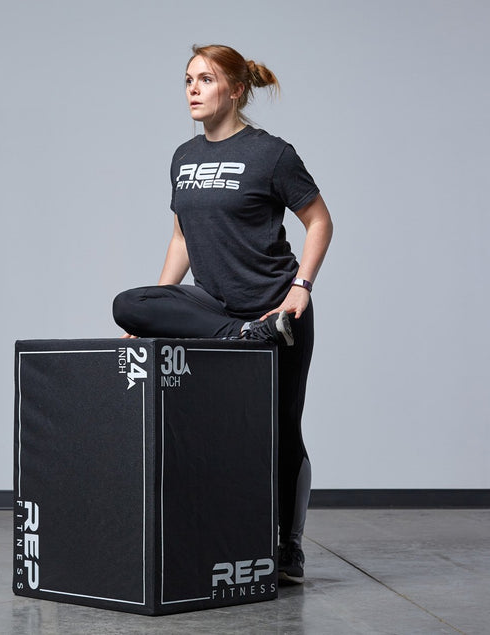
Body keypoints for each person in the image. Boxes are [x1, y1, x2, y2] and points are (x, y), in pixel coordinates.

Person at [112, 44, 333, 585]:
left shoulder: (271, 154)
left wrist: (300, 289)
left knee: (280, 429)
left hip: (279, 307)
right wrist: (159, 310)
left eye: (205, 79)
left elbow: (320, 221)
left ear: (235, 90)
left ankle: (289, 546)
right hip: (224, 315)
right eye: (187, 79)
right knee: (128, 303)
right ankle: (242, 335)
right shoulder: (183, 159)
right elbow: (181, 239)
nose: (191, 88)